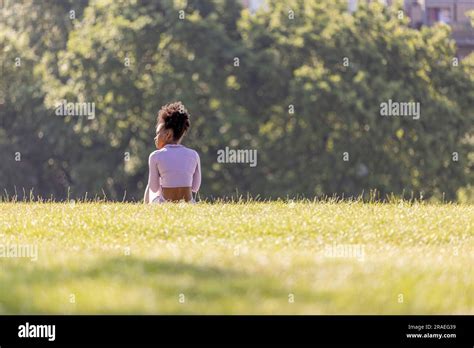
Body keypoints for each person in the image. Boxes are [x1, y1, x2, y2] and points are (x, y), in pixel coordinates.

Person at [143, 102, 201, 203]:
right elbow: (195, 187)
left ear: (168, 134)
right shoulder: (194, 154)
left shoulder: (155, 156)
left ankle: (145, 211)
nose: (155, 138)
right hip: (189, 204)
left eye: (158, 134)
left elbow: (154, 188)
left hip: (164, 204)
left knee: (151, 185)